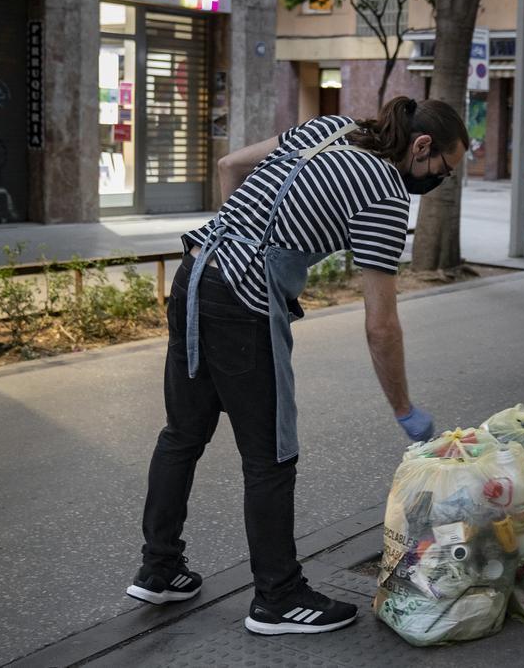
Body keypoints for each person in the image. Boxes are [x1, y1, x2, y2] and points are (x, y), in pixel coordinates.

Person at [125, 96, 468, 636]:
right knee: (270, 455)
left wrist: (242, 243)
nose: (438, 184)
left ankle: (160, 568)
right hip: (243, 303)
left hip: (195, 273)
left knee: (182, 434)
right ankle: (278, 597)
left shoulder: (334, 127)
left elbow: (230, 165)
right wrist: (404, 410)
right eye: (443, 172)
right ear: (421, 146)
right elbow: (381, 326)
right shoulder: (385, 192)